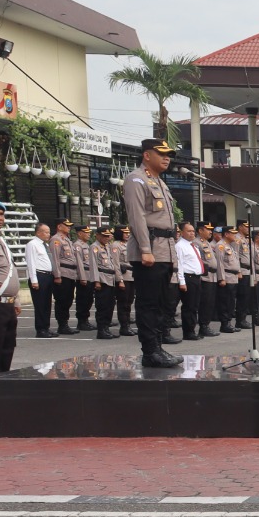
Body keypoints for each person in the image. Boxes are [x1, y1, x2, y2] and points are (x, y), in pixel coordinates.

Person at [122, 137, 183, 368]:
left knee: (161, 303)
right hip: (150, 253)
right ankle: (150, 351)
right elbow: (136, 218)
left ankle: (157, 347)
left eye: (169, 155)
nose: (167, 158)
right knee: (148, 304)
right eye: (162, 153)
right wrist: (146, 250)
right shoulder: (136, 180)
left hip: (164, 252)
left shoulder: (159, 182)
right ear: (147, 155)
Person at [49, 219, 81, 334]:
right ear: (59, 226)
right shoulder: (56, 240)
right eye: (66, 225)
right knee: (62, 300)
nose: (69, 227)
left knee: (68, 299)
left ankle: (65, 323)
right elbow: (55, 259)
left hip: (70, 274)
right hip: (63, 274)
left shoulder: (67, 240)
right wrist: (57, 275)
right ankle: (62, 325)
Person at [25, 221, 55, 338]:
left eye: (49, 232)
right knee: (40, 304)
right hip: (39, 276)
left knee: (47, 304)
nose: (48, 234)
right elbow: (31, 262)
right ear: (38, 233)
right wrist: (34, 280)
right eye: (46, 232)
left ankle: (46, 327)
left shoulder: (45, 245)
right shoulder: (32, 244)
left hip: (48, 276)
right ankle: (41, 329)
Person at [89, 227, 120, 340]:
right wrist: (96, 281)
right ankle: (101, 330)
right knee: (102, 305)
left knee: (110, 305)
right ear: (97, 235)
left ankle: (106, 328)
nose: (106, 238)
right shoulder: (94, 247)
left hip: (110, 279)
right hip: (102, 279)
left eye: (108, 236)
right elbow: (93, 265)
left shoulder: (107, 247)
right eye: (104, 236)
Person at [0, 202, 19, 370]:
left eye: (1, 215)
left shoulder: (2, 241)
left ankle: (4, 385)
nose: (0, 218)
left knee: (7, 347)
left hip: (8, 304)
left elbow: (10, 271)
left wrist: (16, 300)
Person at [113, 227, 136, 337]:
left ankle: (127, 325)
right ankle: (124, 326)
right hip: (123, 276)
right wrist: (119, 279)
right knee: (123, 303)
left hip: (131, 276)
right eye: (125, 233)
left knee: (129, 302)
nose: (127, 235)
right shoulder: (115, 246)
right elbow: (116, 264)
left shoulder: (128, 244)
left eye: (128, 233)